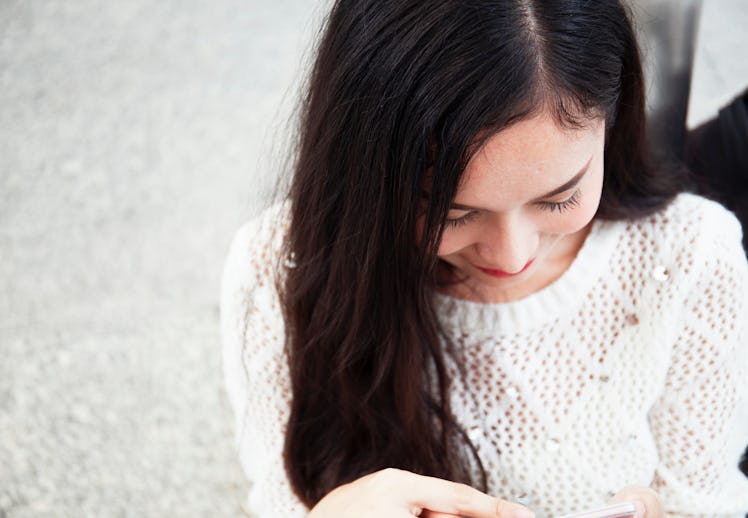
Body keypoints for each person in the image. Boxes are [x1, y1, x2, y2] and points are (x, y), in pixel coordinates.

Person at [220, 1, 748, 517]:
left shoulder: (691, 257)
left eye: (559, 197)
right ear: (367, 168)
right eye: (452, 213)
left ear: (612, 121)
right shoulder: (277, 270)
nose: (512, 255)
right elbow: (280, 498)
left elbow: (705, 500)